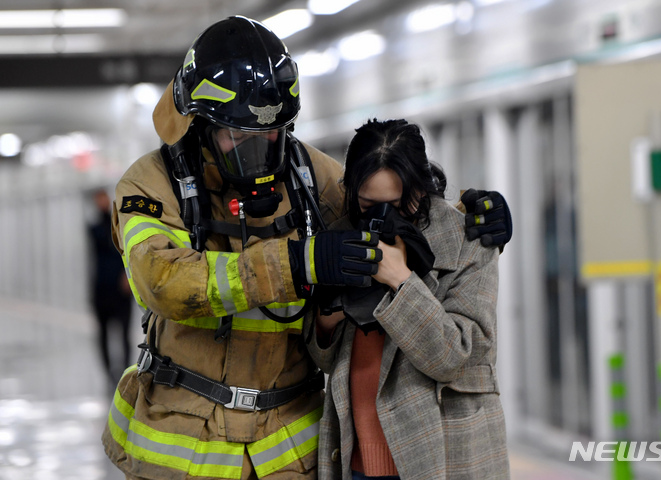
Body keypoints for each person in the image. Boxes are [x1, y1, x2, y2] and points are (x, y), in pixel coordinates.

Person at [101, 16, 512, 480]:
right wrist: (301, 261)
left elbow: (386, 205)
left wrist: (465, 210)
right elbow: (163, 281)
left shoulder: (309, 175)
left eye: (272, 134)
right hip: (180, 446)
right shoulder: (151, 184)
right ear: (199, 124)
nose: (260, 152)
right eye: (238, 138)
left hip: (287, 449)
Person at [305, 119, 510, 480]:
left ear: (421, 189)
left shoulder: (470, 241)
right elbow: (321, 357)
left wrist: (400, 280)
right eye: (368, 204)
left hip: (440, 456)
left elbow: (454, 358)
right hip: (354, 457)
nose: (382, 218)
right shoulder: (341, 237)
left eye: (399, 206)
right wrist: (331, 312)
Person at [88, 189, 133, 386]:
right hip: (101, 289)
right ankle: (108, 372)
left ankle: (124, 370)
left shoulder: (120, 225)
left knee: (124, 332)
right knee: (103, 333)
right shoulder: (95, 227)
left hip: (120, 288)